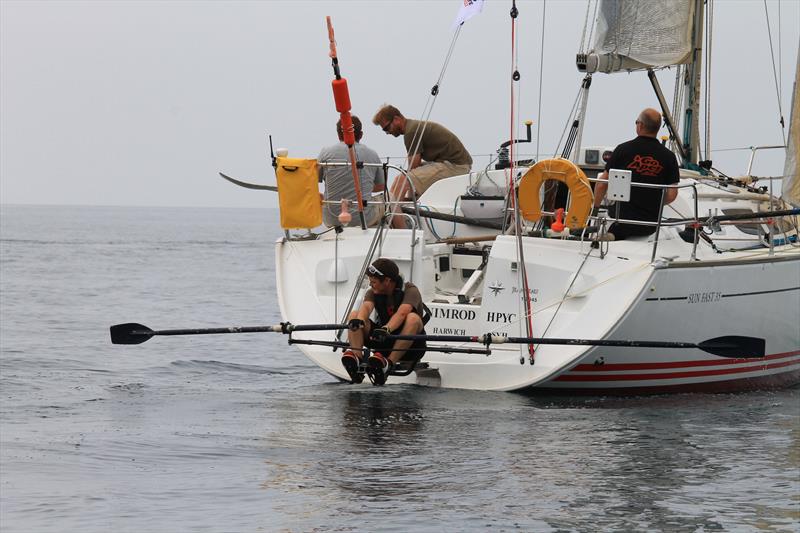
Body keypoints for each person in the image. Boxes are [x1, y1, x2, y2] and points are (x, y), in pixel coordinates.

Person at [372, 105, 472, 227]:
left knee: (402, 179)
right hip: (452, 163)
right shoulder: (412, 127)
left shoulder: (411, 131)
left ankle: (394, 223)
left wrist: (407, 194)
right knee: (402, 179)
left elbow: (413, 167)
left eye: (387, 128)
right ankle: (392, 210)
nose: (387, 132)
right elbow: (414, 169)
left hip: (456, 166)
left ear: (397, 119)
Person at [593, 108, 680, 240]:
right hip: (650, 226)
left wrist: (594, 210)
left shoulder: (623, 150)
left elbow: (601, 185)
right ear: (657, 129)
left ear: (640, 125)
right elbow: (672, 195)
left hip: (621, 223)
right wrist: (653, 201)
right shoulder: (669, 156)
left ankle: (610, 236)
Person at [341, 258, 427, 386]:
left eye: (374, 282)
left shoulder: (411, 290)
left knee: (413, 318)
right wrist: (358, 321)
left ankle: (389, 365)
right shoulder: (373, 292)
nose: (371, 285)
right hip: (384, 340)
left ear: (386, 281)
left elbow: (402, 312)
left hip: (411, 346)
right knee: (354, 315)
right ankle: (356, 360)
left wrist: (386, 329)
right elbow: (366, 307)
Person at [317, 116, 386, 227]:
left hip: (331, 218)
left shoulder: (325, 153)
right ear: (361, 134)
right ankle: (404, 234)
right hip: (363, 218)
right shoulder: (372, 154)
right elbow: (382, 186)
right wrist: (359, 186)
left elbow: (316, 179)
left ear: (338, 134)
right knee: (391, 197)